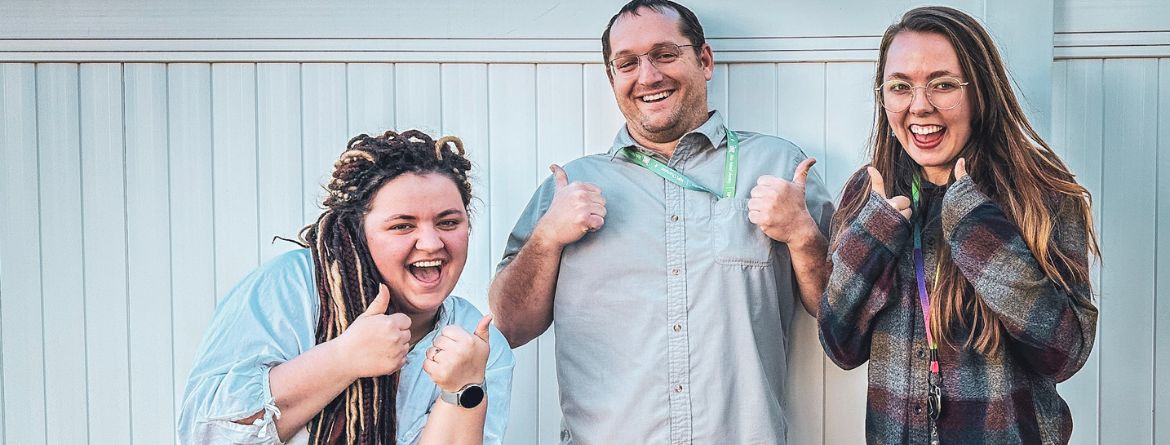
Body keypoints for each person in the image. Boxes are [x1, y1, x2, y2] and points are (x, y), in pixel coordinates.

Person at [488, 1, 833, 443]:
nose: (648, 76)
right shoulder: (570, 186)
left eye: (665, 54)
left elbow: (840, 318)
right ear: (612, 78)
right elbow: (508, 326)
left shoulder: (780, 165)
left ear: (704, 60)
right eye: (627, 63)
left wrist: (803, 236)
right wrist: (547, 239)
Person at [818, 6, 1100, 444]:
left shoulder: (1040, 190)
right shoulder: (870, 192)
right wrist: (874, 234)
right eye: (900, 87)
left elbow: (1064, 353)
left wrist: (974, 224)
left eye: (943, 84)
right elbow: (840, 346)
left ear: (980, 92)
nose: (919, 106)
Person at [178, 130, 515, 445]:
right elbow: (206, 433)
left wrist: (462, 390)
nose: (430, 242)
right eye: (402, 225)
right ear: (356, 232)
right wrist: (344, 358)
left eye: (448, 222)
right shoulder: (290, 288)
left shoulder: (478, 344)